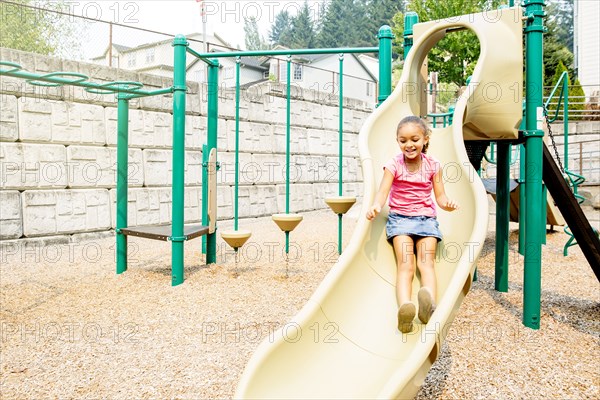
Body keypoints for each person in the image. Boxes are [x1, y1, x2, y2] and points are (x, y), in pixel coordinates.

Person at [366, 116, 459, 333]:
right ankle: (405, 309)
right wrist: (375, 206)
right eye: (403, 140)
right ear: (397, 141)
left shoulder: (433, 165)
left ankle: (429, 306)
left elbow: (441, 197)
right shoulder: (393, 165)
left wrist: (449, 204)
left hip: (426, 221)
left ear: (425, 139)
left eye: (415, 139)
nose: (409, 145)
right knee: (406, 265)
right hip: (400, 221)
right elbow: (382, 193)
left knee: (426, 264)